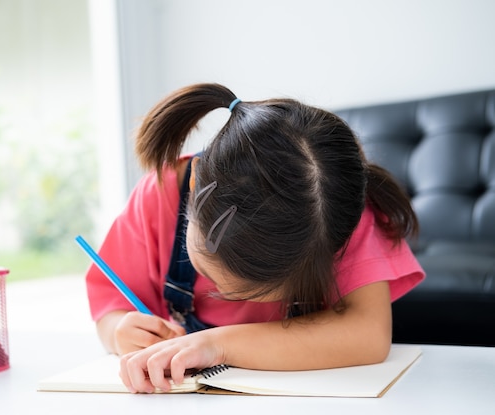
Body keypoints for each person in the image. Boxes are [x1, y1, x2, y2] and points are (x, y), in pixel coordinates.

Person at [85, 83, 425, 393]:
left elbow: (368, 335)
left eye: (260, 292)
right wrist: (119, 331)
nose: (227, 298)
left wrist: (217, 344)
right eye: (213, 275)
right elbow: (109, 311)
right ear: (194, 191)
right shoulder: (159, 195)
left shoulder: (335, 219)